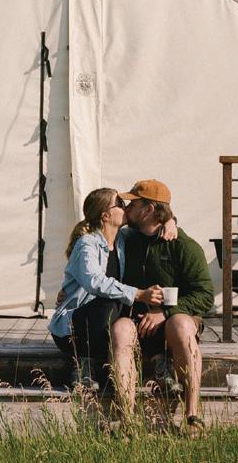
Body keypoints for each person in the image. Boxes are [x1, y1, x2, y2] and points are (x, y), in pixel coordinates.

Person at [110, 179, 214, 435]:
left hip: (174, 323)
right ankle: (127, 420)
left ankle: (192, 417)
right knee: (120, 329)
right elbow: (93, 234)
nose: (126, 208)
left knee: (182, 325)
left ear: (148, 210)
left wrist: (166, 311)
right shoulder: (126, 239)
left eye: (132, 203)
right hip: (136, 320)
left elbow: (205, 296)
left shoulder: (183, 246)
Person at [48, 187, 174, 390]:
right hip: (74, 330)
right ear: (105, 215)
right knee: (111, 303)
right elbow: (94, 281)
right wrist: (138, 293)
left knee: (144, 308)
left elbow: (151, 223)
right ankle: (83, 367)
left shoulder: (122, 239)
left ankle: (160, 364)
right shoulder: (87, 244)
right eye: (121, 204)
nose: (126, 207)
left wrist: (170, 221)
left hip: (102, 323)